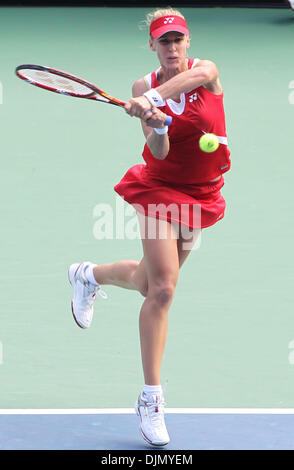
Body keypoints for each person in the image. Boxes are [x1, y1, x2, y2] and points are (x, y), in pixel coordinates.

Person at [68, 7, 231, 447]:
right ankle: (151, 399)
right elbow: (157, 152)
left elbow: (192, 83)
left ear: (188, 42)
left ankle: (87, 275)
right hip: (160, 187)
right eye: (164, 41)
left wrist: (154, 103)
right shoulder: (142, 86)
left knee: (145, 282)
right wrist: (156, 124)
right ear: (153, 46)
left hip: (202, 194)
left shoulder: (206, 71)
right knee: (162, 290)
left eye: (178, 39)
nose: (172, 47)